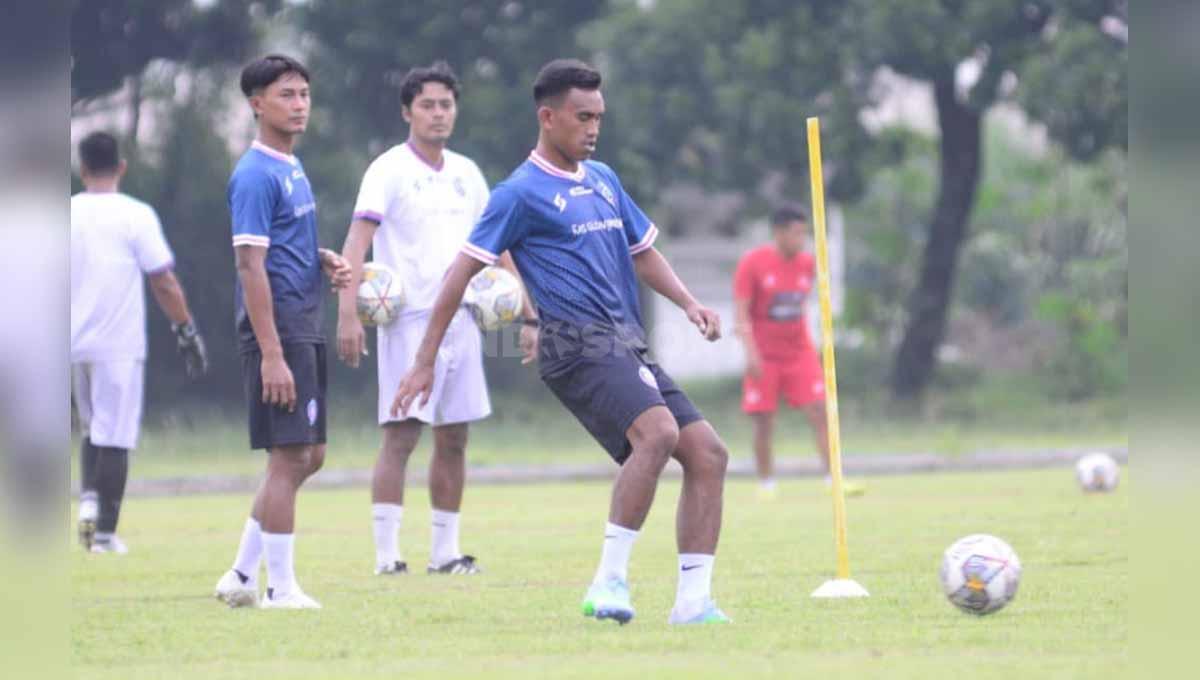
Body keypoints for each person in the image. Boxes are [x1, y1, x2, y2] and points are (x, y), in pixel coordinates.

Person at [392, 59, 732, 625]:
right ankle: (608, 582)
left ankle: (693, 603)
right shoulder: (517, 194)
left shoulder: (604, 180)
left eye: (599, 117)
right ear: (548, 118)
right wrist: (423, 360)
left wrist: (690, 302)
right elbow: (459, 275)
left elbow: (642, 251)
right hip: (573, 344)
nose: (593, 128)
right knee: (658, 433)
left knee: (709, 455)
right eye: (582, 117)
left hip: (626, 342)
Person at [338, 62, 516, 576]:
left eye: (446, 105)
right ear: (407, 111)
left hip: (465, 320)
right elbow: (357, 240)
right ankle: (387, 556)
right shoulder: (388, 169)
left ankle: (445, 553)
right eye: (428, 105)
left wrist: (526, 309)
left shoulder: (467, 173)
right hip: (410, 319)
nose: (438, 114)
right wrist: (348, 311)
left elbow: (496, 244)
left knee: (455, 437)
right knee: (402, 434)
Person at [212, 55, 352, 610]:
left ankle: (242, 576)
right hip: (280, 332)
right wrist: (271, 353)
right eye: (287, 95)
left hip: (302, 322)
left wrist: (318, 259)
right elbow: (249, 265)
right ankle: (280, 589)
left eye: (304, 95)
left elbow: (276, 245)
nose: (299, 105)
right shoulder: (254, 173)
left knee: (308, 455)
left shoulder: (291, 166)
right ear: (256, 104)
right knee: (290, 456)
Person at [71, 131, 209, 554]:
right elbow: (163, 280)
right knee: (116, 434)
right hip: (119, 343)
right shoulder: (136, 215)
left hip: (72, 341)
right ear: (122, 167)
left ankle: (89, 500)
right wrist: (185, 330)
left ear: (81, 168)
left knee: (93, 427)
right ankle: (105, 535)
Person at [733, 204, 865, 499]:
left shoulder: (808, 264)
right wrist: (750, 351)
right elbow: (740, 312)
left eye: (805, 233)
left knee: (821, 410)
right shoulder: (753, 263)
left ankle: (834, 479)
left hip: (799, 352)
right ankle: (766, 484)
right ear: (778, 233)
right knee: (764, 421)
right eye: (796, 233)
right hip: (764, 354)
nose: (802, 239)